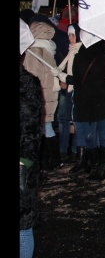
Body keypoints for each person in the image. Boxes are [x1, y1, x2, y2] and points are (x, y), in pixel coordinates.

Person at [58, 40, 105, 181]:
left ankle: (104, 169)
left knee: (104, 136)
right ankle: (94, 166)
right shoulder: (79, 55)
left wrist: (104, 88)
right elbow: (79, 79)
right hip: (85, 103)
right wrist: (67, 78)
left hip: (103, 103)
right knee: (89, 137)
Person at [23, 17, 60, 171]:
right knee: (48, 126)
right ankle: (55, 159)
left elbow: (32, 75)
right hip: (49, 94)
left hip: (39, 96)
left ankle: (45, 160)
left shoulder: (34, 51)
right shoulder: (49, 48)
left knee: (39, 128)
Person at [20, 60, 43, 258]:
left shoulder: (26, 84)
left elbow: (31, 130)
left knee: (22, 224)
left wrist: (23, 163)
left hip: (21, 164)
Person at [58, 24, 87, 174]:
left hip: (77, 90)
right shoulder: (71, 51)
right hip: (68, 89)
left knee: (76, 121)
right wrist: (62, 80)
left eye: (73, 35)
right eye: (69, 35)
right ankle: (63, 150)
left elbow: (78, 75)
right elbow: (63, 68)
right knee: (64, 119)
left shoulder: (81, 51)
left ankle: (76, 151)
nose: (70, 38)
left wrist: (67, 80)